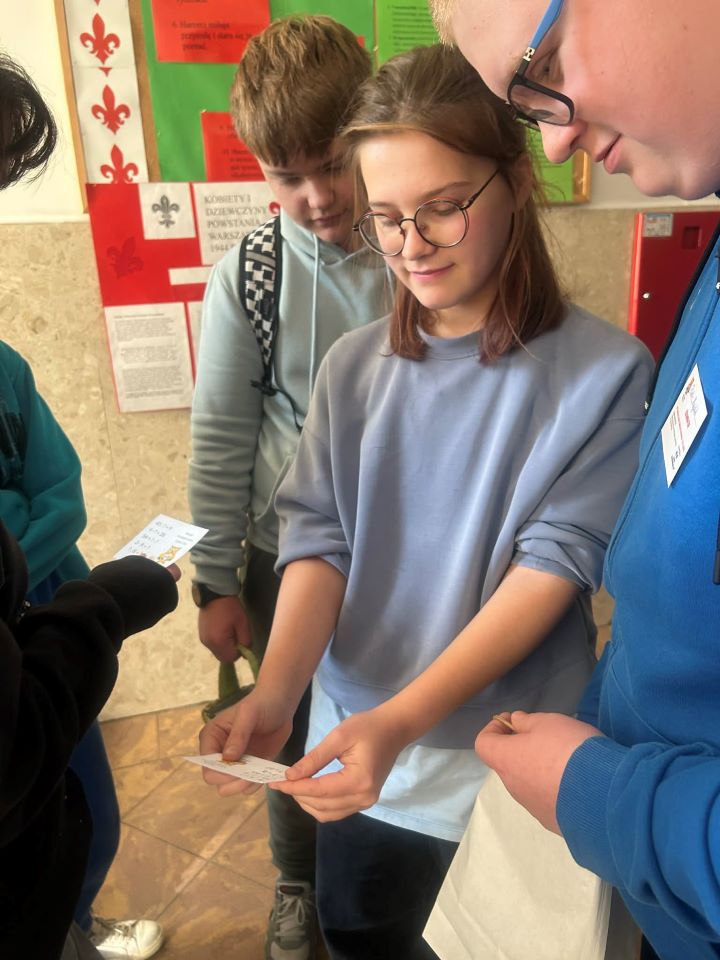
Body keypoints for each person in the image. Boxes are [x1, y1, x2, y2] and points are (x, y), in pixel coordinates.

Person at [198, 43, 654, 959]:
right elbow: (320, 543)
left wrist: (399, 721)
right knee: (362, 934)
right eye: (386, 219)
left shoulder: (605, 374)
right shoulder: (353, 369)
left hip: (508, 756)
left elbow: (551, 569)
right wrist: (278, 695)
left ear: (515, 183)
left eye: (443, 209)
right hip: (357, 758)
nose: (411, 246)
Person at [428, 2, 720, 959]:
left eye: (546, 64)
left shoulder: (597, 368)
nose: (557, 142)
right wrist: (596, 735)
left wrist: (600, 794)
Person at [188, 15, 390, 959]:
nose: (316, 197)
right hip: (284, 556)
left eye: (333, 165)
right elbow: (222, 437)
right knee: (286, 723)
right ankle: (297, 882)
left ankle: (389, 869)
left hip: (407, 550)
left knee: (390, 712)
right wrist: (215, 582)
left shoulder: (419, 245)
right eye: (287, 177)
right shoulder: (251, 278)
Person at [0, 53, 180, 960]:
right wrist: (99, 605)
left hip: (50, 644)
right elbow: (11, 759)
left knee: (87, 813)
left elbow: (56, 487)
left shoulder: (5, 368)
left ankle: (74, 921)